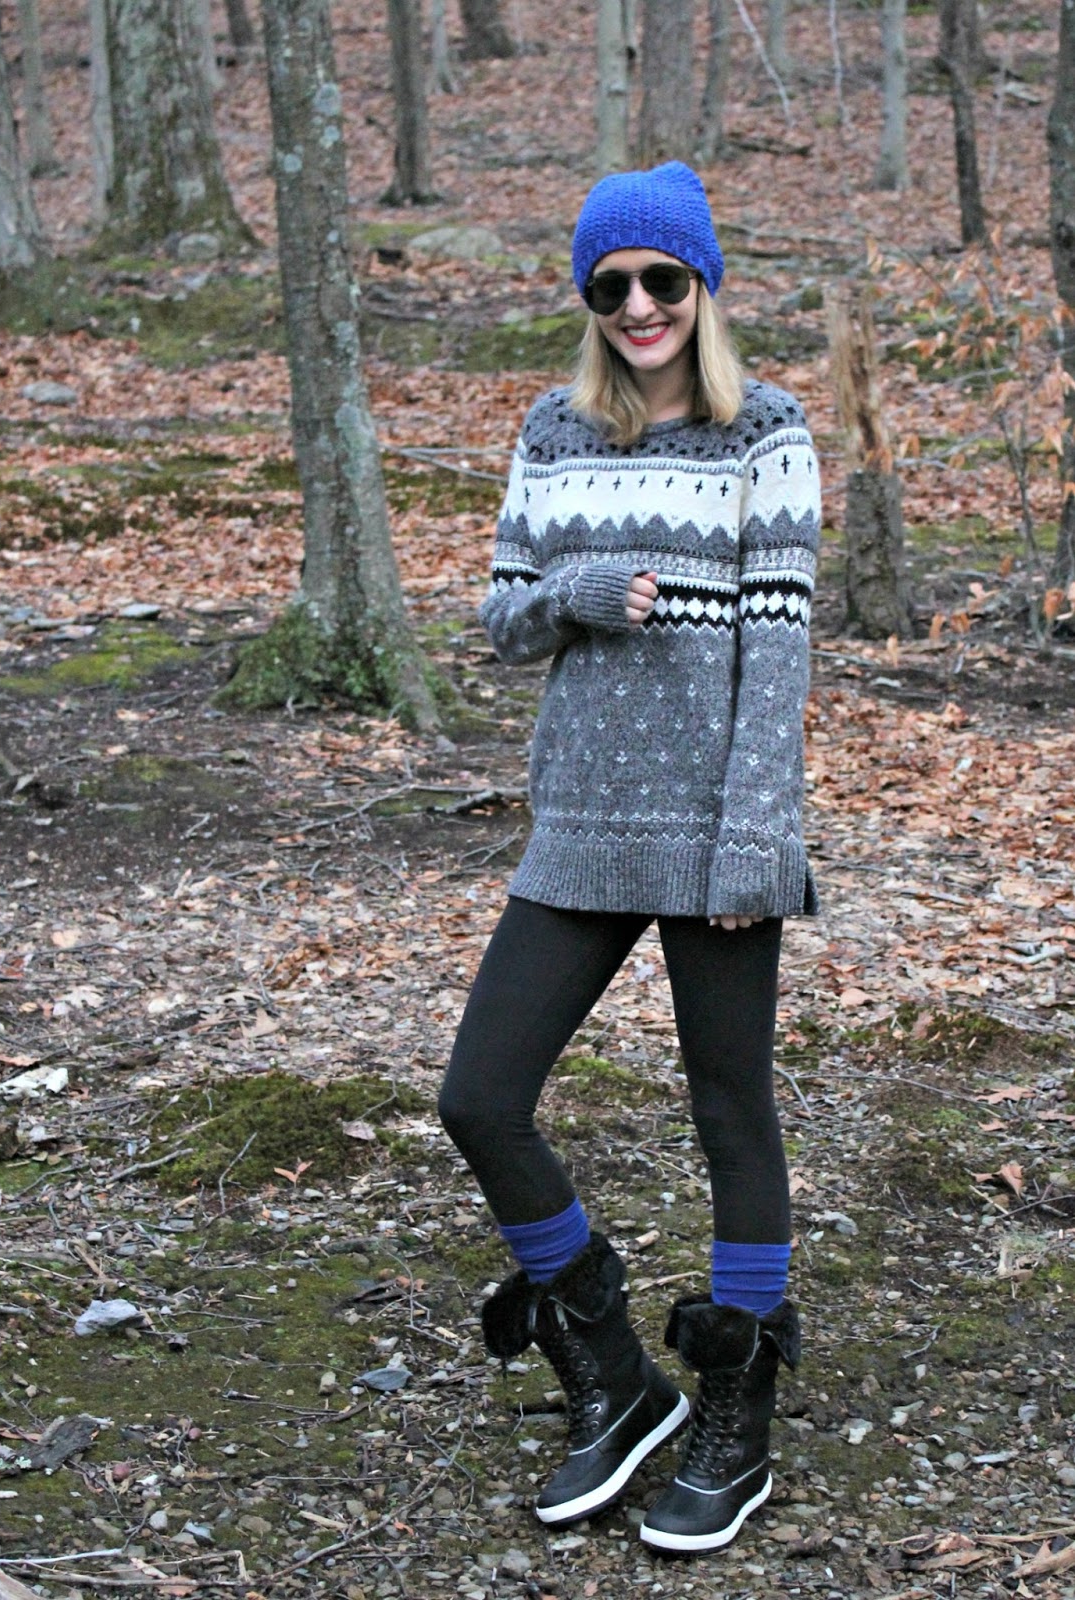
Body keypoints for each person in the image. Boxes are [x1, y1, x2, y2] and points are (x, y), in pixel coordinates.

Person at [438, 160, 820, 1555]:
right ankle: (610, 1369)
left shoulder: (763, 433)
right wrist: (574, 595)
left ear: (701, 286)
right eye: (612, 286)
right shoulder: (554, 428)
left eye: (663, 281)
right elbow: (499, 618)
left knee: (731, 1115)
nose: (640, 305)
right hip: (579, 828)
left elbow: (775, 656)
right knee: (480, 1097)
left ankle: (735, 1420)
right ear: (588, 300)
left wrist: (754, 840)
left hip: (717, 829)